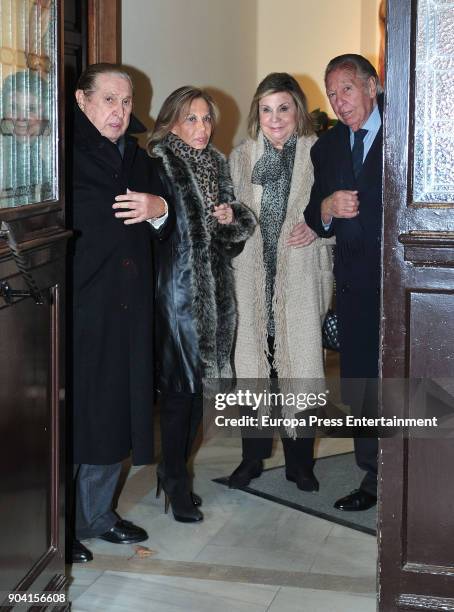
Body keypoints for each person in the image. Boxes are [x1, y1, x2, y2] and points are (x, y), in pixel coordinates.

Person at [70, 63, 171, 563]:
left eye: (126, 102)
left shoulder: (138, 156)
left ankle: (97, 515)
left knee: (116, 414)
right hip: (78, 310)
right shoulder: (61, 155)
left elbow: (167, 222)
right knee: (75, 419)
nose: (119, 111)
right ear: (82, 100)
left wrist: (160, 209)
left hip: (129, 311)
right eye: (109, 99)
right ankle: (59, 524)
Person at [147, 86, 256, 523]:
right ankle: (175, 478)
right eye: (191, 118)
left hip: (215, 292)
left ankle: (173, 470)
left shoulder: (216, 163)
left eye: (206, 119)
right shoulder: (158, 164)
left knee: (197, 394)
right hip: (175, 291)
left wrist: (232, 220)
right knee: (179, 391)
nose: (201, 127)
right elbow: (154, 229)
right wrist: (161, 211)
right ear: (172, 121)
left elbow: (227, 246)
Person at [228, 73, 334, 491]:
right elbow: (231, 218)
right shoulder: (240, 156)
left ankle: (300, 465)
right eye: (266, 109)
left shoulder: (319, 153)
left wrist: (319, 223)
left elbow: (337, 212)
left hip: (301, 279)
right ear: (257, 113)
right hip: (252, 280)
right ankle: (251, 459)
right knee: (253, 369)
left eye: (283, 108)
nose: (274, 119)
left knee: (301, 368)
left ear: (298, 111)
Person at [304, 54, 383, 511]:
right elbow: (314, 213)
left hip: (401, 284)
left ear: (371, 86)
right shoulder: (327, 147)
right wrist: (327, 209)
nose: (338, 101)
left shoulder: (408, 131)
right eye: (331, 93)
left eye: (346, 89)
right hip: (353, 286)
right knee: (360, 385)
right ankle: (372, 478)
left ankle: (416, 473)